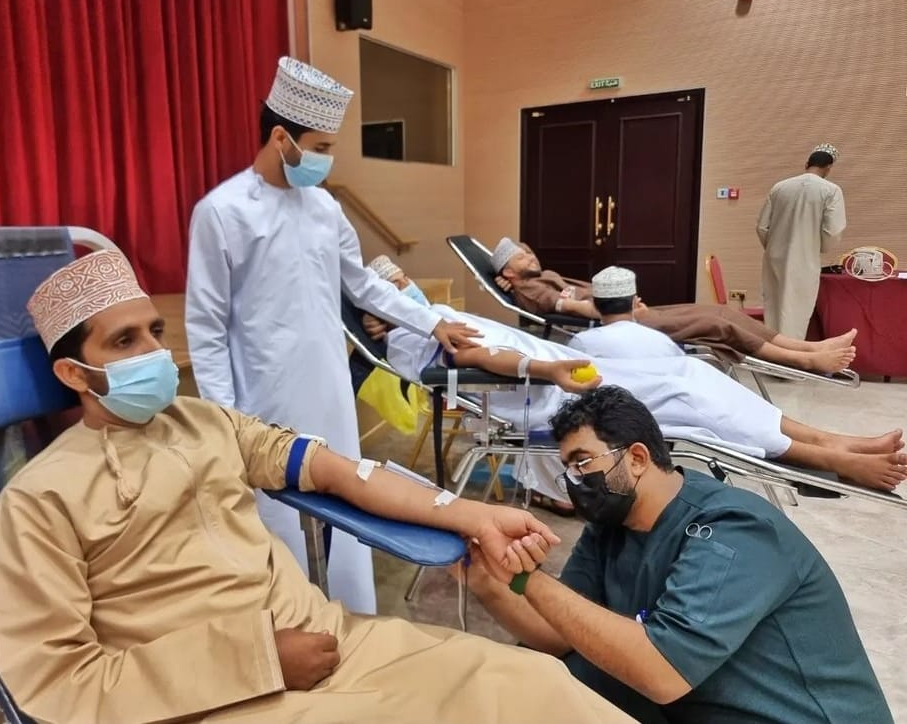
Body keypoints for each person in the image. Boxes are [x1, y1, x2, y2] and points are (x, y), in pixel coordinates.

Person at [0, 250, 635, 724]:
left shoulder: (205, 421)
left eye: (155, 332)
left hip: (332, 640)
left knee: (531, 684)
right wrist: (257, 661)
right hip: (217, 697)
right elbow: (59, 680)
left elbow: (336, 471)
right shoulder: (38, 501)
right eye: (124, 341)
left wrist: (470, 515)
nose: (154, 353)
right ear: (74, 373)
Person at [185, 56, 479, 613]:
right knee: (279, 519)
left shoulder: (324, 207)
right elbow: (206, 326)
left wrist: (431, 320)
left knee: (349, 505)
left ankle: (353, 618)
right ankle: (295, 627)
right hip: (264, 399)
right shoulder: (221, 212)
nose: (326, 159)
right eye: (319, 147)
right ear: (281, 138)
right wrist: (226, 423)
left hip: (329, 389)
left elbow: (363, 285)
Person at [459, 386, 893, 724]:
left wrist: (533, 581)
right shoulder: (611, 526)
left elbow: (663, 671)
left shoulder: (732, 529)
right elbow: (562, 634)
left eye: (583, 463)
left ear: (637, 458)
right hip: (700, 706)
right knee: (553, 676)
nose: (574, 481)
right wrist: (494, 580)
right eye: (568, 469)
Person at [367, 255, 907, 492]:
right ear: (378, 309)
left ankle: (835, 441)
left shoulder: (429, 317)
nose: (409, 289)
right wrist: (550, 367)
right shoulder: (414, 337)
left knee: (693, 374)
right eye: (397, 287)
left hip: (571, 371)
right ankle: (830, 458)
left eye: (404, 280)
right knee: (685, 397)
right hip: (558, 394)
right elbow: (480, 359)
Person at [491, 236, 857, 374]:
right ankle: (803, 360)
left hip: (630, 312)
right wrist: (622, 308)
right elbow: (575, 309)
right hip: (622, 320)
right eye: (521, 257)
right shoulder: (534, 291)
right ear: (507, 270)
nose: (529, 256)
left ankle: (809, 347)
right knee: (717, 325)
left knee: (721, 311)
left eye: (529, 252)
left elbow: (537, 268)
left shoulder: (541, 275)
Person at [757, 142, 848, 337]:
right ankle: (789, 354)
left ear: (807, 164)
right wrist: (816, 247)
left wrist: (773, 248)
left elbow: (762, 227)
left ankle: (771, 352)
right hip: (804, 260)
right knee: (796, 313)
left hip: (774, 259)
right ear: (828, 168)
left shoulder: (779, 187)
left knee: (773, 309)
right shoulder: (831, 191)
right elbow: (832, 231)